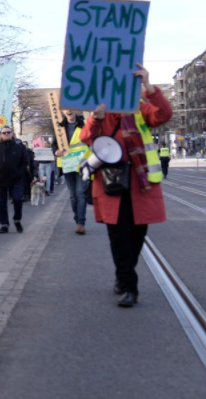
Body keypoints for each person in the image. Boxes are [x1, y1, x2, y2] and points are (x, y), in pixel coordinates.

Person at [80, 64, 172, 307]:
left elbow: (162, 115)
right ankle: (128, 285)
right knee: (118, 235)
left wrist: (148, 86)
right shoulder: (101, 111)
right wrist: (96, 118)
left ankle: (124, 276)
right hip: (113, 183)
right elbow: (88, 138)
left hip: (141, 184)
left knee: (137, 234)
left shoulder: (141, 107)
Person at [0, 127, 30, 234]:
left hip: (16, 179)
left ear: (12, 134)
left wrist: (19, 173)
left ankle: (17, 220)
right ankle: (4, 224)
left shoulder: (19, 147)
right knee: (2, 203)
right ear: (1, 135)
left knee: (17, 199)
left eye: (8, 132)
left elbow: (25, 161)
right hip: (1, 179)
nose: (6, 134)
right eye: (4, 133)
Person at [55, 110, 89, 235]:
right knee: (73, 195)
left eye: (71, 108)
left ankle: (81, 223)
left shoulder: (85, 124)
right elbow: (55, 145)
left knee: (80, 193)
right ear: (63, 111)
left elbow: (91, 142)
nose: (69, 111)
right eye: (66, 109)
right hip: (67, 164)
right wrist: (56, 151)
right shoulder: (59, 127)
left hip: (82, 164)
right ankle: (77, 218)